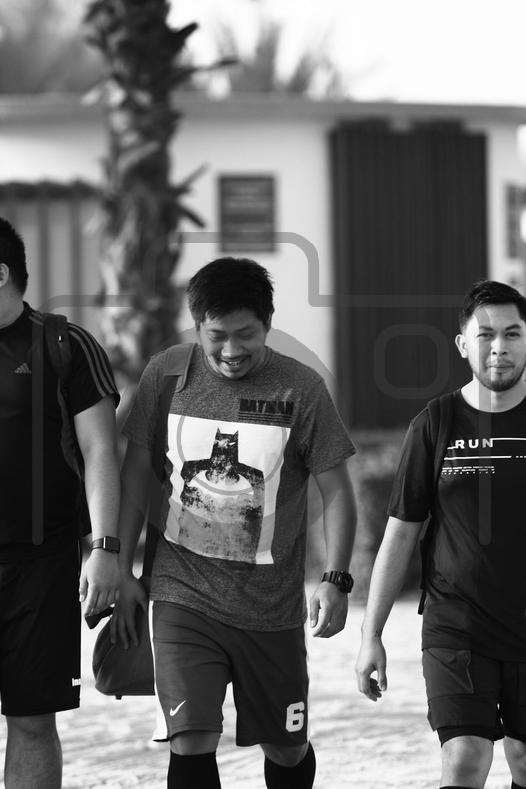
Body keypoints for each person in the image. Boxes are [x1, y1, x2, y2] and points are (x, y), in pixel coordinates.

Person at [114, 257, 356, 789]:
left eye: (245, 334)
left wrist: (336, 578)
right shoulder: (167, 374)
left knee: (286, 749)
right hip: (180, 594)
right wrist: (121, 565)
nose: (230, 350)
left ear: (267, 323)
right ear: (197, 326)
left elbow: (337, 490)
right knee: (191, 738)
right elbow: (135, 473)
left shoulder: (301, 388)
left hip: (270, 609)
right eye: (216, 336)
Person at [355, 279, 526, 789]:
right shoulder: (436, 422)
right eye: (485, 335)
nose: (499, 348)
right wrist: (371, 635)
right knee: (465, 757)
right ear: (462, 344)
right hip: (457, 626)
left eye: (513, 334)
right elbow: (401, 533)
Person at [0, 217, 121, 788]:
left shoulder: (64, 345)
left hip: (40, 564)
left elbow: (101, 450)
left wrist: (105, 548)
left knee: (30, 720)